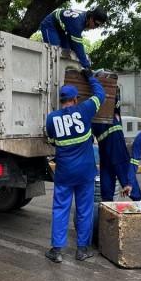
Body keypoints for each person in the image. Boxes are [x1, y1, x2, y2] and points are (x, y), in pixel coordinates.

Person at [45, 74, 105, 263]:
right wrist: (92, 78)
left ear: (61, 100)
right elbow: (100, 95)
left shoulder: (51, 119)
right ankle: (82, 250)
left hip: (64, 172)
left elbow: (52, 142)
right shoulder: (85, 109)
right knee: (84, 210)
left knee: (60, 208)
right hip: (86, 172)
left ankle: (56, 251)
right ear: (76, 99)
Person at [92, 90, 141, 201]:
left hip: (117, 150)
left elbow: (105, 96)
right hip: (105, 153)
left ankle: (140, 206)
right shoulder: (93, 115)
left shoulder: (112, 109)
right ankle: (107, 212)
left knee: (128, 183)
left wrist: (92, 79)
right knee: (106, 189)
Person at [40, 6, 108, 70]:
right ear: (91, 18)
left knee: (67, 51)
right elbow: (78, 46)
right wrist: (87, 66)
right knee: (55, 51)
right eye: (96, 24)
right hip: (49, 25)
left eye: (99, 26)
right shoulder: (77, 23)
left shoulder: (84, 18)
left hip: (61, 28)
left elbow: (73, 42)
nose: (95, 27)